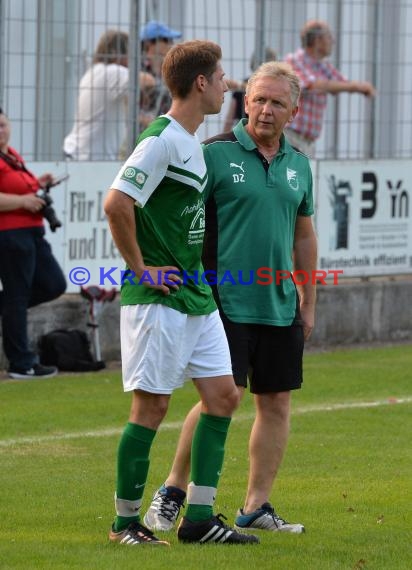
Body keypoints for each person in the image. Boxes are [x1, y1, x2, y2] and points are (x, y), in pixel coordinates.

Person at [143, 61, 317, 535]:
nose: (264, 109)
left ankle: (256, 505)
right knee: (223, 396)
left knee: (276, 402)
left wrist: (309, 299)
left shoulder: (299, 165)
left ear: (294, 111)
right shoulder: (213, 154)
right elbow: (171, 212)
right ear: (244, 102)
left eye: (276, 102)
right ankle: (174, 488)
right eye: (257, 99)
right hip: (222, 298)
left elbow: (304, 236)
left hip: (280, 301)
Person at [104, 40, 259, 547]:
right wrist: (142, 269)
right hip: (159, 298)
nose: (227, 85)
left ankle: (198, 518)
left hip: (195, 293)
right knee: (150, 409)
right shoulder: (162, 140)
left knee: (223, 396)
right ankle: (126, 524)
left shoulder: (191, 141)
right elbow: (116, 202)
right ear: (200, 83)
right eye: (221, 77)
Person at [0, 110, 67, 379]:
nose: (1, 130)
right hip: (10, 234)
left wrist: (37, 185)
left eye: (3, 124)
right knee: (16, 297)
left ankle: (21, 357)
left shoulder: (12, 155)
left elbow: (17, 188)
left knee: (54, 284)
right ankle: (21, 363)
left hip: (32, 232)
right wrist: (24, 202)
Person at [284, 19, 376, 156]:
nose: (332, 41)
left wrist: (359, 87)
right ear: (317, 39)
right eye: (329, 36)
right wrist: (357, 87)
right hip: (290, 137)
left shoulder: (322, 65)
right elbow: (313, 84)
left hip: (306, 142)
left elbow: (342, 82)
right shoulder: (294, 60)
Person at [63, 29, 155, 160]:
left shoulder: (95, 72)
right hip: (91, 158)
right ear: (118, 54)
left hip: (79, 153)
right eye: (130, 54)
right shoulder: (112, 72)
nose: (132, 59)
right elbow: (148, 81)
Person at [139, 20, 182, 130]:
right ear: (150, 44)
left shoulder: (168, 72)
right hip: (137, 137)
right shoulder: (136, 69)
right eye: (167, 40)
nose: (172, 44)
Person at [223, 47, 277, 132]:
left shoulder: (241, 85)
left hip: (242, 133)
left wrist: (223, 137)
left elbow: (230, 117)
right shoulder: (275, 88)